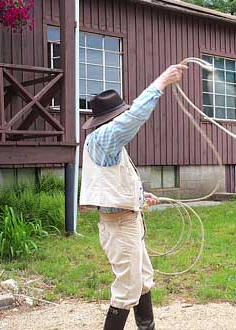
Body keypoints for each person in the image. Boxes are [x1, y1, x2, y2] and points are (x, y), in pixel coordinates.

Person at [79, 64, 187, 330]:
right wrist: (161, 82)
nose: (124, 118)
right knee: (127, 289)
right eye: (120, 115)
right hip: (119, 225)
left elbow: (115, 182)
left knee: (142, 279)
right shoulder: (105, 137)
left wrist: (140, 196)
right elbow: (135, 117)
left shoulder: (107, 143)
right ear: (113, 118)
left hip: (126, 220)